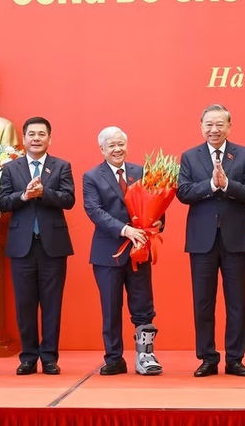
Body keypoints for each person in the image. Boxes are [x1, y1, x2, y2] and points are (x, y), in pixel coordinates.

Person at [176, 104, 245, 377]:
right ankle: (207, 358)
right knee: (203, 302)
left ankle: (235, 359)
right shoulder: (190, 156)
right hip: (202, 240)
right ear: (201, 126)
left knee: (237, 302)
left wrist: (227, 185)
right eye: (209, 124)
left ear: (229, 127)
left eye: (220, 124)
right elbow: (183, 192)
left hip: (235, 238)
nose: (214, 129)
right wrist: (211, 185)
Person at [83, 126, 164, 376]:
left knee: (143, 306)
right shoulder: (92, 177)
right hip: (108, 252)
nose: (117, 149)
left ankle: (145, 356)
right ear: (102, 149)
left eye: (121, 144)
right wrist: (125, 230)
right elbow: (94, 211)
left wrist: (158, 222)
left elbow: (157, 204)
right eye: (111, 145)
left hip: (139, 251)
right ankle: (114, 358)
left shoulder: (141, 172)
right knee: (111, 307)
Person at [0, 117, 75, 375]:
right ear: (24, 139)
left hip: (53, 246)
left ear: (49, 139)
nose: (36, 138)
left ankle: (50, 357)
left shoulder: (61, 166)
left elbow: (69, 199)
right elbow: (3, 202)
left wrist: (44, 193)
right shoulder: (11, 168)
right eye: (32, 134)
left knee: (52, 304)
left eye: (42, 134)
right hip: (22, 246)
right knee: (25, 304)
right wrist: (24, 195)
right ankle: (28, 357)